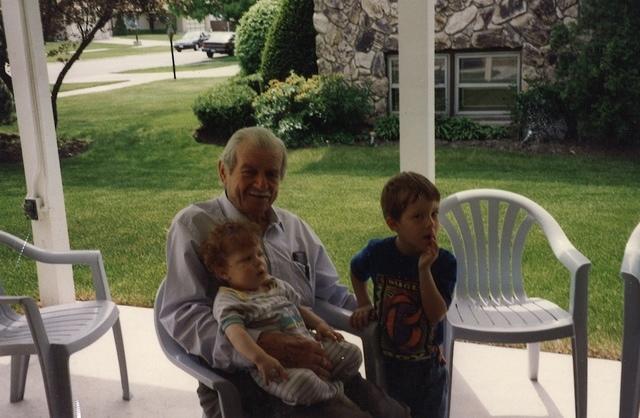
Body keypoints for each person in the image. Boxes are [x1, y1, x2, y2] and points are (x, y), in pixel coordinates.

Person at [159, 126, 410, 418]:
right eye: (249, 172)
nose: (261, 184)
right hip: (246, 378)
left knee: (393, 413)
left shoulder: (294, 229)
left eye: (272, 174)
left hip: (315, 362)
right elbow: (183, 315)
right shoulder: (194, 226)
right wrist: (258, 346)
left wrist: (376, 312)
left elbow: (330, 293)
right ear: (223, 172)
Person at [201, 221, 363, 406]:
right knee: (302, 385)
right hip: (277, 365)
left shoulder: (274, 284)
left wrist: (320, 325)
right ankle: (334, 391)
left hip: (310, 345)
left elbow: (298, 308)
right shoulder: (229, 300)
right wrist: (261, 359)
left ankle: (327, 383)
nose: (258, 262)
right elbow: (236, 334)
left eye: (260, 254)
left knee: (352, 354)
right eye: (247, 259)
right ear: (223, 272)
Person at [349, 171, 457, 418]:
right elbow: (356, 271)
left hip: (428, 369)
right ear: (393, 223)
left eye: (434, 213)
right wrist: (364, 303)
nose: (430, 223)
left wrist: (424, 270)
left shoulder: (445, 263)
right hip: (388, 366)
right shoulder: (378, 253)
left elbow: (436, 314)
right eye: (418, 216)